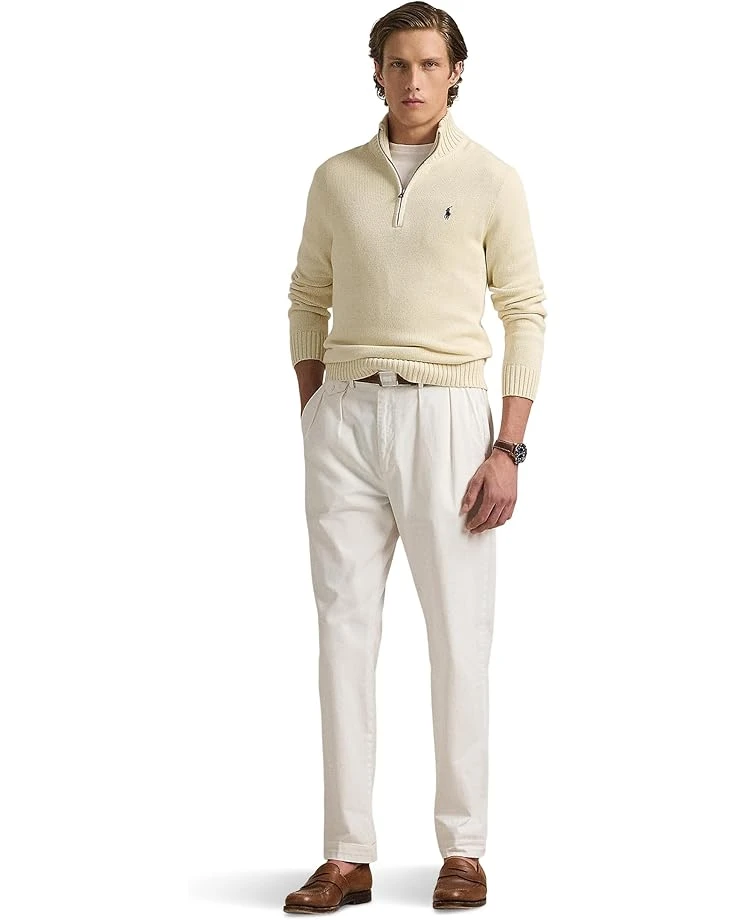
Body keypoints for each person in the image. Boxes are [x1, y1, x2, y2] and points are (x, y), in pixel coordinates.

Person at [283, 2, 547, 912]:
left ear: (456, 71)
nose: (413, 80)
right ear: (377, 71)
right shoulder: (336, 178)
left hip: (449, 418)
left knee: (459, 636)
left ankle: (463, 849)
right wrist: (315, 408)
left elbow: (525, 310)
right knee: (342, 633)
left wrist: (508, 446)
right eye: (397, 63)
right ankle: (346, 854)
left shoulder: (491, 179)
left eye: (430, 64)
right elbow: (307, 294)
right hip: (347, 417)